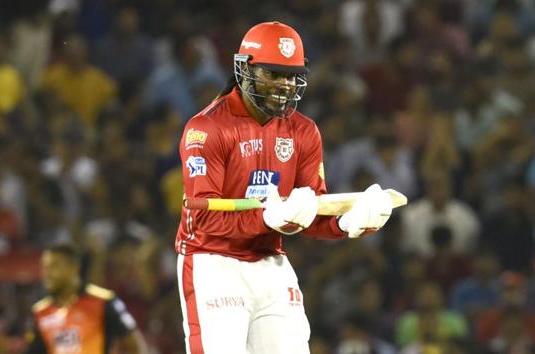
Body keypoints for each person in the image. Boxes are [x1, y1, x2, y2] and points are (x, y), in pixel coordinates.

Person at [176, 21, 394, 354]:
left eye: (291, 76)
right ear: (244, 69)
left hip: (269, 260)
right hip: (213, 262)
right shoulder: (206, 129)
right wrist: (268, 219)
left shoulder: (304, 131)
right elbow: (202, 220)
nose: (284, 86)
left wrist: (347, 223)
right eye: (273, 74)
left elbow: (309, 210)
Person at [24, 244, 148, 354]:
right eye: (45, 268)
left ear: (74, 268)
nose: (47, 274)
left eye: (54, 266)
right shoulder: (40, 312)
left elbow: (135, 346)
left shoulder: (103, 302)